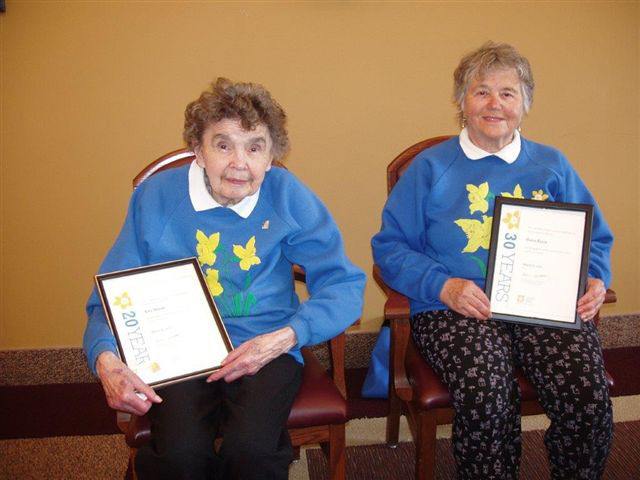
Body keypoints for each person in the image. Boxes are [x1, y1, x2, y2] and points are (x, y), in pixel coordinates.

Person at [83, 77, 366, 480]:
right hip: (177, 350)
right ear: (197, 150)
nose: (239, 162)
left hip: (263, 345)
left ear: (271, 158)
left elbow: (344, 285)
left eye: (255, 147)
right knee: (180, 456)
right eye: (223, 145)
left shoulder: (287, 195)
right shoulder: (157, 197)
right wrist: (106, 360)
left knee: (251, 452)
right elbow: (108, 297)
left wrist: (288, 335)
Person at [372, 42, 613, 480]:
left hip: (542, 305)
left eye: (508, 92)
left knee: (587, 391)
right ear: (461, 102)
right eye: (481, 91)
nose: (495, 104)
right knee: (488, 392)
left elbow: (592, 238)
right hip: (456, 308)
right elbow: (390, 250)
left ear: (525, 103)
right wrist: (444, 286)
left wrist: (594, 278)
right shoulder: (429, 169)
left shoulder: (552, 164)